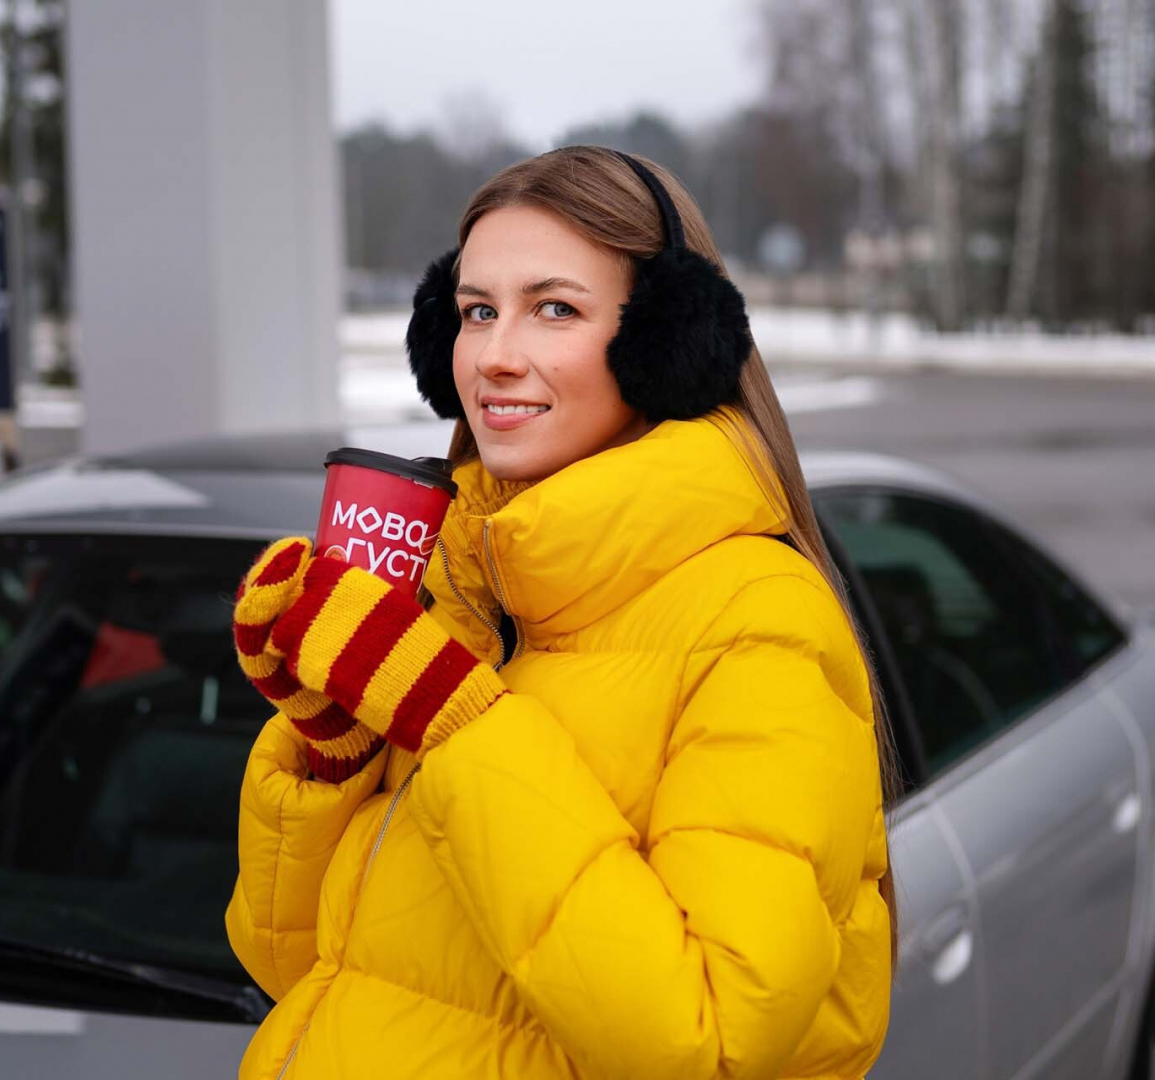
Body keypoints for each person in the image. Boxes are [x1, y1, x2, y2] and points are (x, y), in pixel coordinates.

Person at [225, 146, 896, 1079]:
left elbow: (710, 1037)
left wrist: (454, 723)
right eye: (475, 312)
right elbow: (301, 967)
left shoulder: (759, 623)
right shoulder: (462, 590)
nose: (497, 356)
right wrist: (333, 748)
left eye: (555, 308)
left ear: (668, 342)